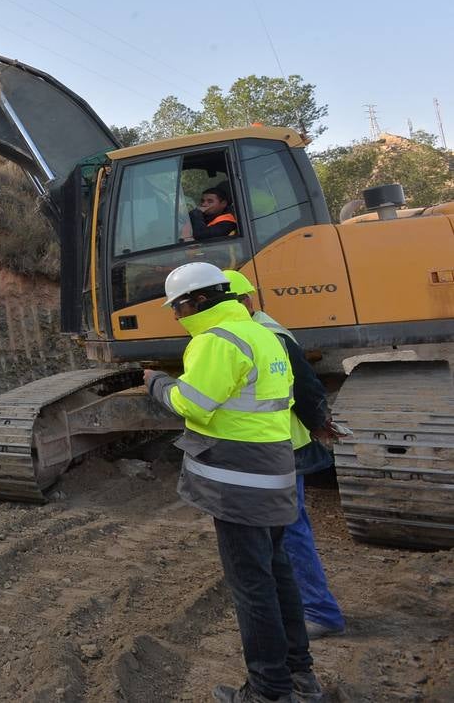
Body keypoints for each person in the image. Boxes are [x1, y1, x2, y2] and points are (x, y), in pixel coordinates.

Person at [143, 262, 322, 703]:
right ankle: (301, 676)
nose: (177, 316)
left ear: (200, 299)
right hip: (275, 471)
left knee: (252, 587)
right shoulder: (264, 334)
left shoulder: (215, 341)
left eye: (179, 307)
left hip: (238, 483)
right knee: (278, 575)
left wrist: (157, 384)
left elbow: (194, 404)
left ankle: (269, 691)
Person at [223, 270, 347, 639]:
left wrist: (319, 422)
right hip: (275, 449)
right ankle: (300, 604)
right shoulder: (260, 331)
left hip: (282, 449)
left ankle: (321, 612)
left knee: (290, 531)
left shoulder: (269, 336)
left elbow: (306, 387)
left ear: (246, 302)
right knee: (282, 531)